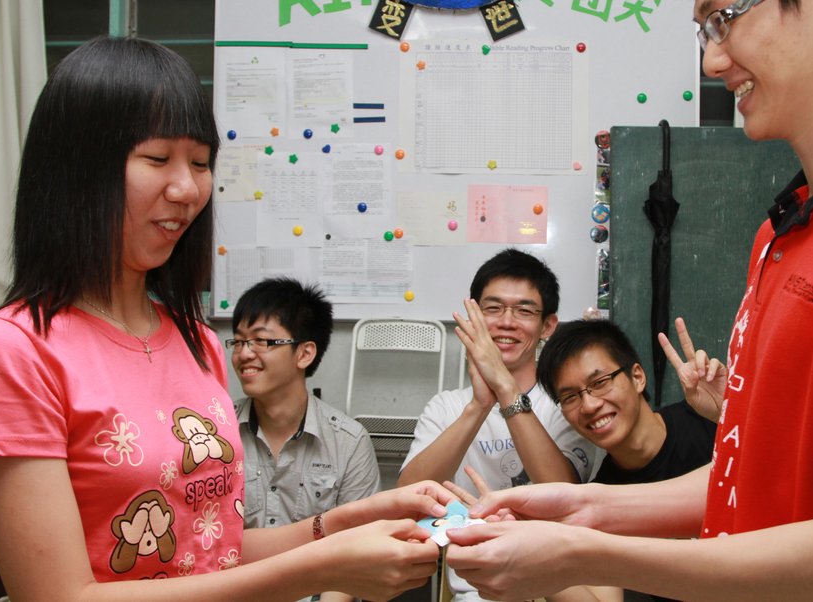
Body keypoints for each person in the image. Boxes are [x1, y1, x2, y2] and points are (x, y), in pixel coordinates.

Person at [444, 0, 813, 600]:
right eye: (705, 32)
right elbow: (744, 473)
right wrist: (580, 508)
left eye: (722, 19)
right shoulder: (784, 227)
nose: (713, 62)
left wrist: (579, 554)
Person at [0, 36, 454, 602]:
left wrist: (343, 523)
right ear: (79, 168)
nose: (188, 189)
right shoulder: (16, 350)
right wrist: (321, 569)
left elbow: (211, 551)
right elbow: (59, 596)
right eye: (157, 159)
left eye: (200, 162)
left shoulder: (194, 338)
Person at [399, 248, 596, 601]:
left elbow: (564, 495)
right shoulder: (446, 407)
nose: (507, 322)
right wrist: (478, 407)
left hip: (558, 587)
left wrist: (505, 391)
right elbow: (408, 500)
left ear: (548, 326)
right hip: (473, 591)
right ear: (472, 317)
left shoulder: (566, 402)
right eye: (493, 308)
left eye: (524, 311)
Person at [230, 276, 381, 602]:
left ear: (304, 353)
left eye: (260, 341)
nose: (244, 354)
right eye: (238, 342)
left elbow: (355, 554)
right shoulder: (215, 432)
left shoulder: (349, 442)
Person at [537, 318, 719, 487]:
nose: (589, 406)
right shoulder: (603, 498)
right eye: (570, 397)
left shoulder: (710, 422)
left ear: (637, 377)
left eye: (599, 383)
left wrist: (725, 415)